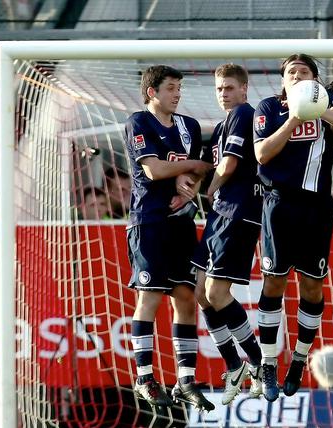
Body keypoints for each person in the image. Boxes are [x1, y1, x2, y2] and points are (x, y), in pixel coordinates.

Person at [253, 54, 333, 401]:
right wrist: (295, 118)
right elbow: (262, 154)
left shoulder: (328, 100)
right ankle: (269, 363)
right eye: (291, 73)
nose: (297, 76)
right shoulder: (269, 107)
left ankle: (299, 359)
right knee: (275, 280)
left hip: (317, 206)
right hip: (279, 204)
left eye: (304, 72)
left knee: (312, 287)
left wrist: (319, 108)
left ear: (314, 78)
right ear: (283, 80)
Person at [124, 65, 213, 410]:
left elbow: (193, 172)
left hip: (181, 224)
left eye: (179, 88)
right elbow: (154, 169)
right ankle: (145, 376)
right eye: (172, 88)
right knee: (150, 297)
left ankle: (185, 380)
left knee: (186, 299)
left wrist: (191, 187)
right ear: (153, 92)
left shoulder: (188, 126)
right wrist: (192, 168)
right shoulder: (139, 122)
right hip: (148, 221)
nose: (177, 94)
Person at [187, 63, 268, 405]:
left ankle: (262, 364)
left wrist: (209, 189)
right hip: (220, 216)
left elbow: (228, 165)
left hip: (238, 213)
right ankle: (235, 364)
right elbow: (209, 164)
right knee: (199, 291)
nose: (224, 93)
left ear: (244, 89)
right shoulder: (221, 125)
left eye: (230, 87)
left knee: (217, 293)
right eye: (220, 88)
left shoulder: (244, 114)